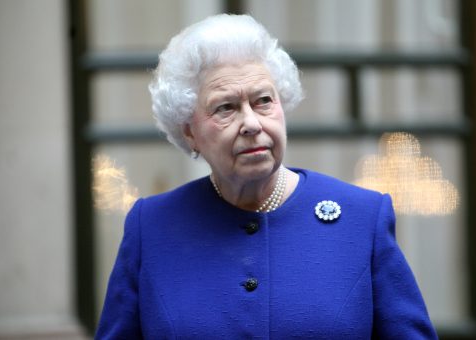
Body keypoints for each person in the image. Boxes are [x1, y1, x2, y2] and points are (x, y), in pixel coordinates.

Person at [95, 14, 438, 339]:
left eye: (263, 101)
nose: (252, 123)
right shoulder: (152, 226)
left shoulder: (362, 217)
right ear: (189, 132)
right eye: (225, 107)